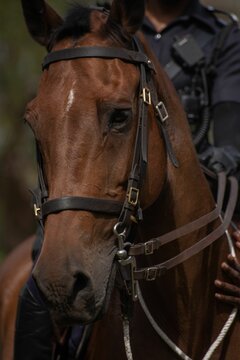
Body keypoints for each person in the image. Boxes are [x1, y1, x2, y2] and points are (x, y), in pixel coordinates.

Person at [14, 1, 240, 359]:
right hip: (103, 188)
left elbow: (230, 139)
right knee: (35, 300)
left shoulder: (223, 33)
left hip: (195, 191)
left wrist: (196, 170)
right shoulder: (99, 28)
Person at [142, 0, 240, 304]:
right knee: (40, 290)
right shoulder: (103, 26)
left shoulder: (223, 34)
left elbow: (231, 146)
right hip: (111, 196)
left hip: (190, 200)